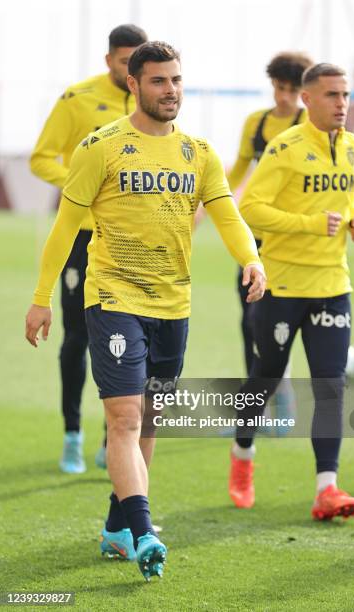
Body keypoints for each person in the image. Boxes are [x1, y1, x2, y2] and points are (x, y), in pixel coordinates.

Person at [25, 41, 266, 580]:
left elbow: (226, 215)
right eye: (158, 81)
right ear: (133, 84)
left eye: (176, 80)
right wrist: (42, 298)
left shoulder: (199, 152)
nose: (170, 90)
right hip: (112, 297)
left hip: (173, 302)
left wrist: (251, 259)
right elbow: (65, 229)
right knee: (125, 416)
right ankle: (141, 531)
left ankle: (117, 526)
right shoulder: (101, 147)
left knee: (149, 421)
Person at [228, 63, 354, 520]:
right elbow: (250, 208)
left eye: (345, 95)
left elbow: (345, 199)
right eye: (332, 95)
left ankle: (326, 488)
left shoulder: (352, 147)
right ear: (308, 99)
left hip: (332, 284)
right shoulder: (284, 148)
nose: (342, 104)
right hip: (283, 286)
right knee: (266, 376)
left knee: (330, 387)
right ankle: (243, 453)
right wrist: (310, 224)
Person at [30, 24, 148, 474]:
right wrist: (84, 188)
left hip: (131, 241)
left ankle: (113, 437)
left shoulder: (151, 102)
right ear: (109, 61)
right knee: (78, 336)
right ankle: (73, 435)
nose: (134, 70)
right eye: (125, 61)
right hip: (81, 236)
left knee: (130, 338)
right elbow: (42, 157)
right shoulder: (76, 99)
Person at [228, 54, 313, 436]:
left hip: (291, 239)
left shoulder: (308, 125)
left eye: (293, 91)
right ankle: (254, 408)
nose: (284, 97)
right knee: (250, 322)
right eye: (280, 88)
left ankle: (283, 397)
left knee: (278, 320)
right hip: (254, 235)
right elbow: (237, 171)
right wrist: (202, 205)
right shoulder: (256, 123)